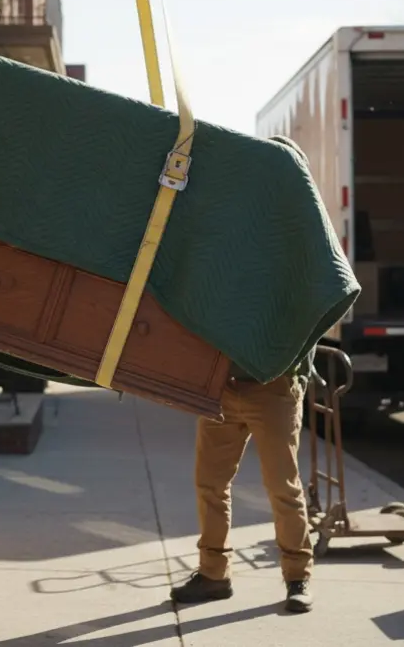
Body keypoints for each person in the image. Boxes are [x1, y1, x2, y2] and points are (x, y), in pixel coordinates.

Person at [169, 134, 319, 614]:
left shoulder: (297, 236)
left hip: (272, 386)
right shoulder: (236, 233)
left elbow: (316, 299)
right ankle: (213, 574)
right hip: (220, 384)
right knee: (210, 485)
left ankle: (298, 578)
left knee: (283, 488)